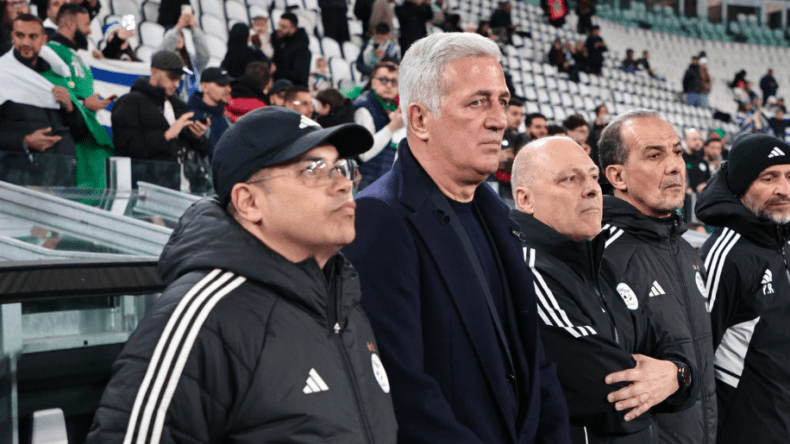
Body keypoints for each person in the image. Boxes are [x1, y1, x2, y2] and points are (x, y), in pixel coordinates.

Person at [86, 106, 399, 444]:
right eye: (313, 169)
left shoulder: (343, 301)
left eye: (342, 168)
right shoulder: (204, 316)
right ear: (249, 202)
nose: (344, 184)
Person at [342, 32, 572, 444]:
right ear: (419, 119)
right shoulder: (379, 218)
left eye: (502, 101)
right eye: (477, 102)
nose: (499, 119)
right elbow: (401, 389)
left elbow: (535, 363)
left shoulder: (498, 216)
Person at [511, 137, 697, 444]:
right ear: (525, 199)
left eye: (593, 177)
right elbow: (609, 394)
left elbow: (673, 347)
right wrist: (674, 379)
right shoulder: (528, 271)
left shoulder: (601, 265)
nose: (592, 189)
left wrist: (677, 375)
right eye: (570, 179)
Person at [598, 109, 717, 444]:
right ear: (617, 176)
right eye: (655, 155)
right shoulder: (602, 256)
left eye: (677, 152)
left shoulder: (686, 249)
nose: (675, 166)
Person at [695, 134, 790, 444]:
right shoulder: (726, 254)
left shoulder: (782, 240)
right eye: (769, 178)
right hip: (746, 429)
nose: (784, 188)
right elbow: (697, 354)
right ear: (740, 187)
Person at [0, 13, 88, 186]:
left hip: (61, 179)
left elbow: (80, 133)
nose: (26, 42)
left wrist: (70, 108)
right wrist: (24, 141)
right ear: (12, 37)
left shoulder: (58, 76)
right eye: (20, 35)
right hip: (16, 180)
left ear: (43, 39)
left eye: (33, 36)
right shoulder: (2, 74)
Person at [111, 50, 210, 191]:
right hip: (147, 191)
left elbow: (199, 151)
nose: (176, 84)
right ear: (155, 71)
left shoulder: (178, 105)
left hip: (183, 188)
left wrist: (197, 137)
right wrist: (166, 135)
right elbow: (125, 149)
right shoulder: (129, 102)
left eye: (179, 78)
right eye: (172, 77)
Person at [48, 4, 115, 189]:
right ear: (70, 24)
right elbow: (52, 90)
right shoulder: (51, 51)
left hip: (89, 137)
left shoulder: (77, 54)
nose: (90, 30)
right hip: (72, 141)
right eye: (86, 24)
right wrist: (84, 104)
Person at [353, 61, 403, 189]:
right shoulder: (364, 107)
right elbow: (364, 153)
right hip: (366, 181)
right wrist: (392, 127)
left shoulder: (396, 108)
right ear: (373, 82)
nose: (389, 85)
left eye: (394, 81)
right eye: (384, 80)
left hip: (388, 179)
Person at [159, 10, 210, 102]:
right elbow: (164, 50)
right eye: (176, 36)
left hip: (191, 102)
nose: (178, 38)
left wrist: (194, 29)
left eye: (180, 35)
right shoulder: (161, 60)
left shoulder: (191, 60)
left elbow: (204, 55)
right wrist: (178, 27)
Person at [188, 67, 231, 160]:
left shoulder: (223, 116)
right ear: (204, 86)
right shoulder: (191, 116)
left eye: (229, 85)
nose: (228, 89)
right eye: (222, 84)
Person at [272, 12, 311, 86]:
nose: (279, 29)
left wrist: (275, 72)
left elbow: (299, 76)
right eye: (279, 25)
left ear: (293, 27)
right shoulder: (280, 40)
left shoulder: (302, 49)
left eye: (284, 27)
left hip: (293, 89)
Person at [683, 128, 709, 193]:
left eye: (700, 139)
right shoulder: (681, 159)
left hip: (701, 196)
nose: (698, 142)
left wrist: (705, 185)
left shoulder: (703, 161)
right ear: (686, 140)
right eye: (694, 139)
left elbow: (708, 179)